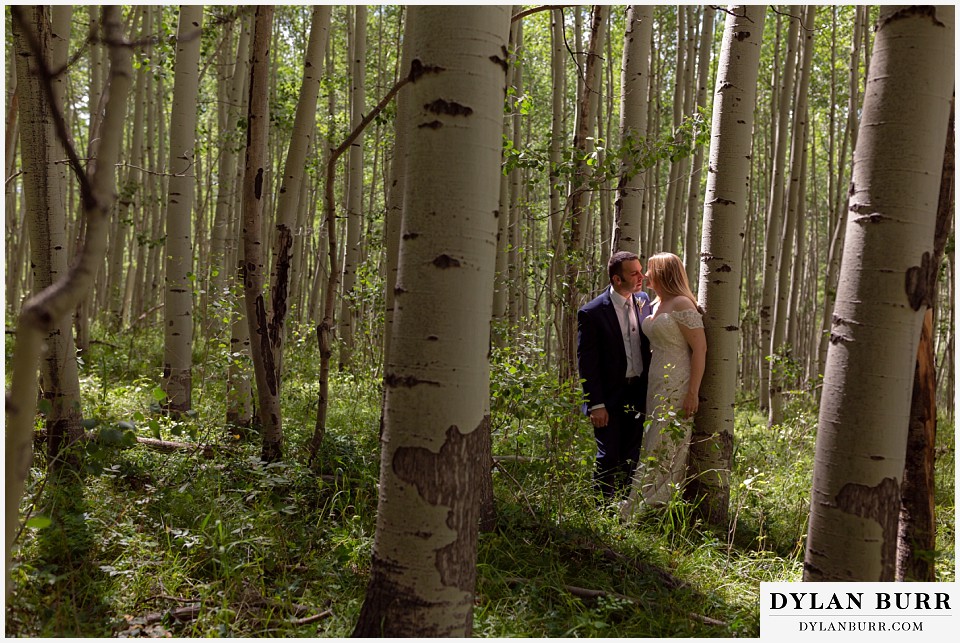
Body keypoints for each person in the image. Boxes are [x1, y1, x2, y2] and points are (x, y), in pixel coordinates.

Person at [620, 252, 706, 520]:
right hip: (656, 379)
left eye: (650, 270)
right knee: (653, 437)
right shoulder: (654, 303)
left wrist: (692, 392)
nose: (645, 275)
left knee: (667, 440)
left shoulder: (682, 303)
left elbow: (700, 349)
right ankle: (641, 498)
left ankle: (654, 504)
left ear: (664, 274)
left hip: (678, 380)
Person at [577, 251, 652, 503]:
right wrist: (596, 404)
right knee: (608, 454)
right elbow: (587, 363)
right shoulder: (592, 313)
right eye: (634, 273)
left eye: (640, 270)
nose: (642, 276)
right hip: (608, 397)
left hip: (638, 392)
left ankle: (624, 507)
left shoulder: (643, 300)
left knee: (633, 453)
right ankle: (601, 510)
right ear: (617, 280)